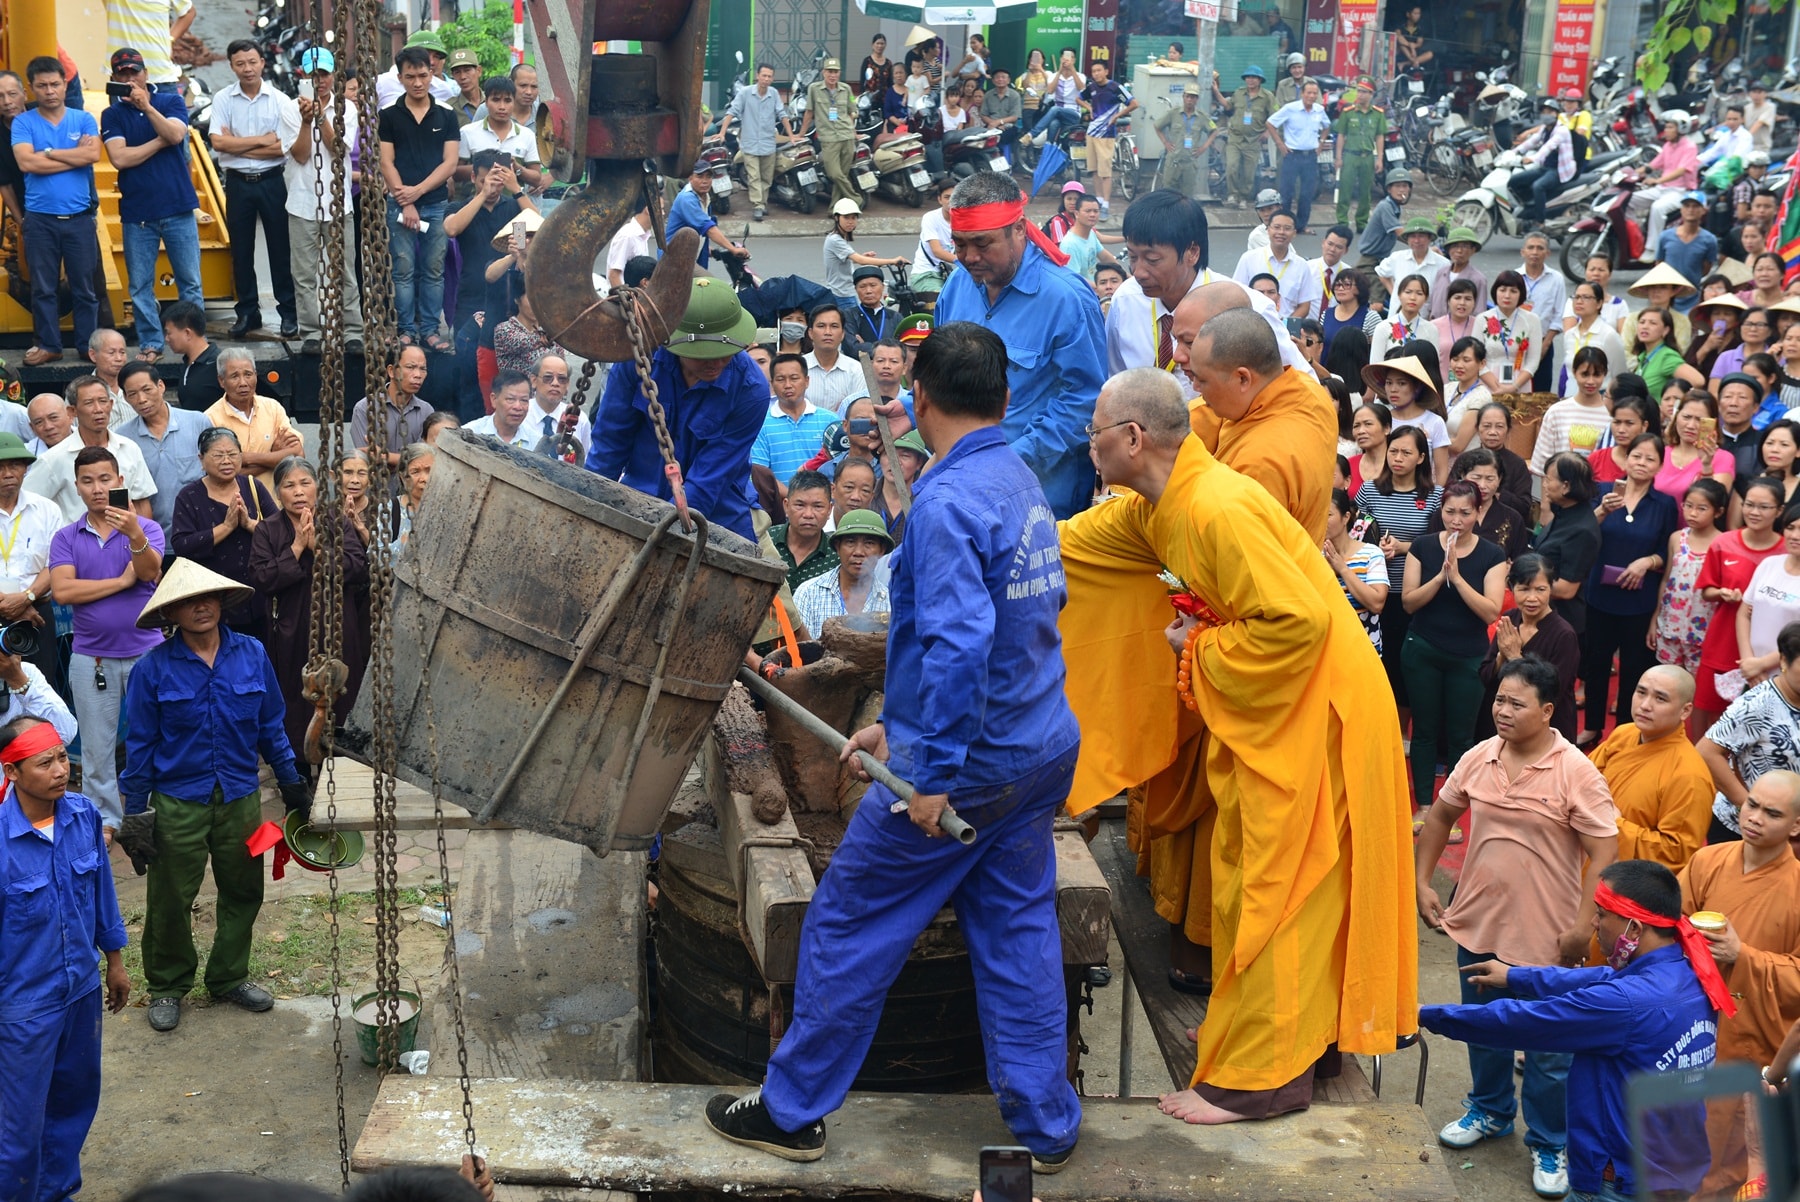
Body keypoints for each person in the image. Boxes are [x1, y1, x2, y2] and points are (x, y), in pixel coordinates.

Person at [705, 324, 1085, 1167]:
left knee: (847, 921)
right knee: (1017, 929)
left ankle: (792, 1108)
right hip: (1039, 749)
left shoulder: (946, 503)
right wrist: (898, 721)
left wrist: (930, 770)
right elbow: (999, 625)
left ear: (917, 401)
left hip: (969, 770)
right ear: (1004, 399)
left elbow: (958, 644)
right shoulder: (1016, 474)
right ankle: (1048, 1127)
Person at [1057, 365, 1413, 1123]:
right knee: (1273, 878)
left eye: (1092, 435)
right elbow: (1074, 548)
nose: (1086, 448)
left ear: (1130, 438)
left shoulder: (1215, 507)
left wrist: (1197, 646)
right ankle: (1299, 1041)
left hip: (1320, 708)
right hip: (1294, 705)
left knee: (1278, 885)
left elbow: (1298, 624)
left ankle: (1263, 1079)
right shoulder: (1163, 504)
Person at [1416, 654, 1618, 1197]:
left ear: (1548, 710)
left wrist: (1583, 927)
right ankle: (1488, 1110)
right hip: (1477, 920)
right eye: (1499, 700)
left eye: (1515, 703)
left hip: (1545, 934)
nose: (1502, 710)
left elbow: (1604, 853)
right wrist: (1422, 881)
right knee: (1482, 1027)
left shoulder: (1576, 771)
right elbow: (1440, 816)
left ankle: (1550, 1142)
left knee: (1548, 1050)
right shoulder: (1481, 755)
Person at [1420, 858, 1723, 1202]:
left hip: (1617, 1181)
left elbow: (1521, 1022)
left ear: (1634, 930)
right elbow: (1600, 978)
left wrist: (1426, 1015)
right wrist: (1515, 975)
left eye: (1601, 914)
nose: (1593, 923)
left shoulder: (1625, 1003)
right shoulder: (1690, 970)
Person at [122, 558, 311, 1034]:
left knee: (244, 890)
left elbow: (271, 725)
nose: (199, 607)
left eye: (206, 597)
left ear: (222, 601)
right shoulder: (152, 670)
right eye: (187, 601)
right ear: (171, 614)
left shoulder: (251, 654)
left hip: (241, 798)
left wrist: (292, 784)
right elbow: (139, 746)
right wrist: (134, 815)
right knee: (169, 898)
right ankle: (167, 985)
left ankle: (229, 976)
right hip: (177, 802)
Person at [0, 715, 130, 1200]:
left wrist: (114, 962)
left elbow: (101, 894)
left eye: (61, 758)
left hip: (80, 992)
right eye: (44, 762)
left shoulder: (83, 816)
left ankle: (57, 1194)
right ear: (11, 772)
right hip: (22, 1009)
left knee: (72, 1108)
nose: (60, 770)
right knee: (17, 1128)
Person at [933, 171, 1106, 519]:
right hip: (964, 484)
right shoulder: (957, 286)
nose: (969, 257)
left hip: (1041, 496)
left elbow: (1085, 399)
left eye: (982, 244)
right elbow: (941, 373)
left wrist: (1014, 457)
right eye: (959, 244)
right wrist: (908, 409)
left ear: (1018, 230)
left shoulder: (1066, 299)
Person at [1677, 767, 1800, 1195]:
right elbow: (1668, 929)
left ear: (1796, 825)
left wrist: (1741, 956)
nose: (1755, 817)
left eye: (1772, 813)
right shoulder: (1707, 860)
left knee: (1725, 1151)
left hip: (1751, 1040)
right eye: (1751, 804)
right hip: (1691, 1024)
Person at [589, 278, 765, 541]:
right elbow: (609, 446)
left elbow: (709, 478)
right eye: (703, 354)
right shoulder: (636, 362)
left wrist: (667, 533)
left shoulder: (750, 390)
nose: (715, 363)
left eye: (725, 352)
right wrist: (589, 504)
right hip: (637, 502)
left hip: (717, 517)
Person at [48, 446, 166, 837]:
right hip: (91, 656)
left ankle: (150, 809)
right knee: (97, 747)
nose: (97, 489)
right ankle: (106, 820)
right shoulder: (67, 536)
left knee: (154, 736)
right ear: (77, 488)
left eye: (104, 479)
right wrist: (119, 582)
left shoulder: (146, 529)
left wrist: (133, 533)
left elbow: (150, 573)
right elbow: (63, 591)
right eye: (87, 481)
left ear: (119, 481)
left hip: (148, 651)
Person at [249, 456, 369, 760]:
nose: (299, 491)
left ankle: (342, 756)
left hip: (340, 623)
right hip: (290, 627)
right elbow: (262, 577)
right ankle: (299, 763)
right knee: (295, 693)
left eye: (305, 483)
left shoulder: (336, 521)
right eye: (289, 485)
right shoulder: (268, 530)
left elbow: (358, 569)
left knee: (342, 689)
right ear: (278, 493)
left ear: (318, 486)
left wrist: (318, 547)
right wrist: (297, 548)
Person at [1400, 480, 1508, 815]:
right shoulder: (1423, 546)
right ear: (1441, 512)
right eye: (1450, 512)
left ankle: (1451, 809)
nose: (1456, 519)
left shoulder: (1492, 554)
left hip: (1469, 655)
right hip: (1423, 649)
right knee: (1425, 731)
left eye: (1465, 512)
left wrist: (1458, 578)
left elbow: (1491, 611)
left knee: (1461, 736)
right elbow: (1408, 603)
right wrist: (1440, 576)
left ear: (1478, 513)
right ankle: (1424, 805)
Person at [102, 47, 202, 363]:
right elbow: (120, 158)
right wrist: (161, 142)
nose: (130, 78)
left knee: (190, 282)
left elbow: (176, 132)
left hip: (178, 207)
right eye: (123, 74)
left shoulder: (169, 100)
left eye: (135, 72)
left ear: (145, 74)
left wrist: (147, 109)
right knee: (140, 286)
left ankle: (195, 342)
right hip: (138, 213)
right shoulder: (111, 114)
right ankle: (151, 342)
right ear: (114, 78)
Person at [1581, 434, 1681, 742]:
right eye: (1637, 456)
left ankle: (1626, 730)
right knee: (1596, 664)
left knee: (1634, 670)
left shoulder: (1664, 504)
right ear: (1627, 458)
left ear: (1659, 466)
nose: (1641, 463)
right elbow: (1579, 536)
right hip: (1599, 595)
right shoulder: (1602, 491)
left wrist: (1647, 562)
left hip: (1640, 601)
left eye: (1650, 459)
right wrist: (1600, 512)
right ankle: (1592, 727)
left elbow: (1670, 552)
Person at [12, 57, 103, 367]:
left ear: (66, 85)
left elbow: (92, 154)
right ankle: (48, 345)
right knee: (43, 288)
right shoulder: (24, 122)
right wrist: (73, 156)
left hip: (78, 218)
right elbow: (26, 163)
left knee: (85, 289)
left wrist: (48, 152)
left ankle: (88, 345)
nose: (49, 91)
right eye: (42, 86)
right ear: (31, 89)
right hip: (39, 219)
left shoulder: (84, 119)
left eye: (55, 84)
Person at [210, 41, 300, 340]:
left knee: (280, 249)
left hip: (272, 181)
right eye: (240, 63)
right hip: (237, 184)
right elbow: (219, 143)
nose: (247, 68)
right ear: (232, 66)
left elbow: (283, 149)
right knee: (241, 250)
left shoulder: (280, 100)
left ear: (262, 62)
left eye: (252, 62)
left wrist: (240, 144)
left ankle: (288, 312)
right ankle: (248, 311)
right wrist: (263, 140)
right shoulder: (223, 99)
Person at [1585, 667, 1714, 869]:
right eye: (1641, 692)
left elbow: (1676, 853)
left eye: (1660, 699)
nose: (1645, 705)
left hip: (1623, 884)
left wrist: (1615, 824)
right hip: (1582, 857)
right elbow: (1583, 777)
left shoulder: (1689, 775)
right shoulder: (1624, 733)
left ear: (1685, 710)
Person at [378, 45, 462, 352]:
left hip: (436, 203)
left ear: (432, 74)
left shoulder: (447, 115)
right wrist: (406, 200)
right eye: (410, 76)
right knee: (402, 268)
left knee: (433, 268)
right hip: (399, 204)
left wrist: (418, 192)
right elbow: (386, 162)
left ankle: (430, 329)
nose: (417, 83)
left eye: (423, 75)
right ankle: (405, 330)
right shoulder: (388, 116)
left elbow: (450, 163)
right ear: (399, 78)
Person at [284, 48, 365, 358]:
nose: (319, 81)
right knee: (304, 274)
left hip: (338, 203)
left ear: (334, 76)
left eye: (324, 74)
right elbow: (301, 154)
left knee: (344, 269)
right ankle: (311, 333)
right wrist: (307, 122)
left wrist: (321, 117)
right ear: (304, 76)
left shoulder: (348, 110)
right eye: (313, 75)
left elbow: (338, 150)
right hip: (301, 203)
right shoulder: (290, 110)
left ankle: (353, 331)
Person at [1105, 190, 1213, 396]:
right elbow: (1115, 378)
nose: (1138, 272)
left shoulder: (1243, 307)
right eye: (1132, 256)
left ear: (1192, 253)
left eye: (1152, 259)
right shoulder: (1126, 299)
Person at [169, 427, 274, 639]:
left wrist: (249, 524)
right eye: (218, 455)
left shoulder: (253, 486)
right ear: (201, 459)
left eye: (232, 454)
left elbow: (279, 532)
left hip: (259, 597)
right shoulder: (189, 496)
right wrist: (225, 528)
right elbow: (181, 545)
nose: (226, 460)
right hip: (214, 600)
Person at [25, 376, 157, 523]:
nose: (98, 409)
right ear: (72, 411)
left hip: (124, 543)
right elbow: (26, 504)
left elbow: (141, 502)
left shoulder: (129, 448)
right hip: (74, 543)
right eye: (89, 403)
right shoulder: (53, 458)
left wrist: (142, 540)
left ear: (111, 404)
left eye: (103, 401)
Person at [1480, 554, 1581, 744]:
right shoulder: (1511, 618)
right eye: (1524, 589)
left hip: (1546, 732)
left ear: (1551, 589)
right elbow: (1486, 676)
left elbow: (1551, 693)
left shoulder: (1563, 635)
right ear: (1511, 588)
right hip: (1505, 724)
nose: (1532, 598)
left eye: (1540, 589)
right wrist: (1502, 656)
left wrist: (1515, 656)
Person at [0, 435, 65, 694]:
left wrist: (26, 598)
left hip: (36, 614)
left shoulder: (46, 509)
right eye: (0, 467)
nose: (7, 473)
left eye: (15, 465)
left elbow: (57, 563)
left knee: (37, 690)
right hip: (20, 609)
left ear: (26, 469)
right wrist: (11, 607)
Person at [116, 361, 208, 532]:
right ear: (126, 398)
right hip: (154, 541)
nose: (141, 399)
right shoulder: (122, 438)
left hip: (202, 534)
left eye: (147, 390)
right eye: (133, 394)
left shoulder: (198, 422)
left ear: (161, 386)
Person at [203, 348, 303, 489]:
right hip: (235, 504)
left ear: (256, 375)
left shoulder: (272, 407)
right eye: (234, 376)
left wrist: (247, 458)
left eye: (248, 374)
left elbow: (297, 453)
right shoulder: (210, 419)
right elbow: (222, 473)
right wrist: (273, 457)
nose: (243, 382)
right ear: (221, 381)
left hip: (275, 505)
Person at [790, 508, 891, 636]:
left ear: (881, 550)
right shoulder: (808, 593)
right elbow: (798, 649)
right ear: (838, 547)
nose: (858, 552)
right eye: (850, 542)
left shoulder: (889, 601)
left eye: (869, 543)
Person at [721, 64, 794, 222]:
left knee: (767, 177)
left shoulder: (773, 94)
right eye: (764, 76)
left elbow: (782, 114)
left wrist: (791, 136)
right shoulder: (745, 93)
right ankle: (757, 206)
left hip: (768, 144)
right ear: (758, 76)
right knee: (754, 176)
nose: (766, 79)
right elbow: (731, 112)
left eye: (769, 76)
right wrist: (721, 133)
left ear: (772, 78)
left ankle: (762, 203)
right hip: (750, 144)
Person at [1362, 355, 1449, 481]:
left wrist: (1434, 499)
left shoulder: (1435, 422)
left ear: (1417, 387)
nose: (1393, 389)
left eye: (1401, 383)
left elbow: (1442, 472)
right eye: (1388, 383)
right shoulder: (1380, 420)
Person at [754, 353, 835, 487]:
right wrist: (792, 500)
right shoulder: (760, 424)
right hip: (778, 504)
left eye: (794, 378)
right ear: (772, 384)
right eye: (780, 379)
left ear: (807, 381)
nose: (787, 385)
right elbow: (761, 474)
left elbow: (837, 467)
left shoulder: (829, 421)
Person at [350, 344, 433, 473]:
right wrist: (407, 460)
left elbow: (425, 460)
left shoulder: (427, 411)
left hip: (413, 490)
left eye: (423, 369)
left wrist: (386, 457)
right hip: (375, 489)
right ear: (391, 371)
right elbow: (368, 457)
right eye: (410, 367)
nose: (418, 375)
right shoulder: (365, 408)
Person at [1325, 487, 1386, 650]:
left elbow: (1377, 603)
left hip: (1363, 649)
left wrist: (1343, 569)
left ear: (1346, 517)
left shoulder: (1372, 553)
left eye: (1328, 515)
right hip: (1326, 648)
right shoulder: (1312, 554)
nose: (1322, 520)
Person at [1231, 208, 1318, 319]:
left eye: (1287, 228)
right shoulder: (1249, 259)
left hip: (1286, 330)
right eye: (1276, 227)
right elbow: (1237, 295)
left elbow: (1304, 305)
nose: (1281, 232)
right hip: (1254, 326)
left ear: (1294, 233)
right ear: (1268, 230)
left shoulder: (1302, 266)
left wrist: (1285, 325)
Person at [456, 75, 540, 190]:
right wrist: (485, 166)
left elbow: (536, 179)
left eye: (507, 100)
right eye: (496, 100)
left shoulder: (526, 135)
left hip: (515, 205)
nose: (502, 107)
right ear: (486, 102)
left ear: (514, 102)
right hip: (477, 204)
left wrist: (517, 167)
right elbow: (455, 173)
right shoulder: (468, 132)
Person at [1267, 80, 1329, 234]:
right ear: (1302, 94)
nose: (1311, 96)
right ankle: (1284, 224)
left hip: (1310, 156)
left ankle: (1301, 226)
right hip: (1292, 155)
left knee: (1306, 194)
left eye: (1315, 93)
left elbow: (1327, 126)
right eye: (1308, 92)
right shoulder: (1290, 109)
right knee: (1286, 193)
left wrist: (1321, 142)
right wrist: (1280, 144)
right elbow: (1270, 123)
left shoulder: (1319, 110)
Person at [1509, 98, 1578, 228]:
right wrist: (1513, 152)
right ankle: (1528, 208)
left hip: (1559, 170)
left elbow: (1548, 147)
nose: (1546, 115)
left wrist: (1533, 158)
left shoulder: (1561, 130)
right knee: (1514, 180)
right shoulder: (1544, 129)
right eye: (1544, 112)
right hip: (1546, 168)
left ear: (1556, 114)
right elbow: (1531, 142)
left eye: (1549, 112)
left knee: (1538, 186)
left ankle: (1540, 221)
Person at [801, 58, 859, 208]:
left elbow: (852, 111)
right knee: (834, 173)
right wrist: (801, 133)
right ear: (823, 72)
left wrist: (854, 132)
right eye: (829, 72)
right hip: (828, 138)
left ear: (839, 73)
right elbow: (809, 112)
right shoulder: (814, 89)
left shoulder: (846, 89)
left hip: (846, 136)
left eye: (835, 72)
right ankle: (855, 197)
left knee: (842, 174)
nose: (832, 75)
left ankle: (834, 207)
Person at [1078, 61, 1133, 218]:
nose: (1096, 73)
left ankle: (1106, 205)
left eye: (1099, 70)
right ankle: (1099, 200)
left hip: (1107, 134)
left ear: (1106, 71)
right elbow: (1079, 98)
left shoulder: (1115, 88)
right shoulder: (1092, 88)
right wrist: (1089, 108)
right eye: (1093, 71)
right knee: (1094, 169)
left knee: (1106, 172)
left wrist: (1116, 116)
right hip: (1092, 133)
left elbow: (1133, 103)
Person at [766, 469, 836, 592]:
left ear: (829, 509)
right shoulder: (766, 540)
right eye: (800, 505)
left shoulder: (836, 553)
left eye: (818, 506)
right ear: (786, 506)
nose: (808, 514)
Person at [1215, 66, 1274, 207]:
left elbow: (1276, 116)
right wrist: (1216, 91)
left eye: (1254, 77)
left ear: (1260, 80)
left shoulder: (1267, 97)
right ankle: (1232, 195)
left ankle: (1243, 197)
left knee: (1249, 173)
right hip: (1235, 138)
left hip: (1253, 140)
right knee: (1232, 167)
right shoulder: (1239, 93)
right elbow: (1228, 106)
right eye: (1248, 77)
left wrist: (1268, 132)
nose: (1250, 80)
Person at [822, 201, 905, 301]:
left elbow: (848, 259)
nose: (850, 221)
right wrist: (893, 261)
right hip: (841, 295)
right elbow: (860, 260)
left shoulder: (839, 237)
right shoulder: (835, 239)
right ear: (836, 218)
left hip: (844, 292)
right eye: (846, 217)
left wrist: (863, 257)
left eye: (853, 217)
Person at [1479, 270, 1544, 396]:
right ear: (1495, 291)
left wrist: (1513, 387)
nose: (1507, 295)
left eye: (1513, 291)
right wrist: (1496, 387)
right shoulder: (1482, 319)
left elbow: (1533, 361)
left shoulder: (1532, 320)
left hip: (1520, 384)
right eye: (1502, 290)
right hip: (1488, 383)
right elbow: (1476, 359)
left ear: (1521, 294)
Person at [1332, 78, 1386, 229]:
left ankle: (1361, 222)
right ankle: (1342, 221)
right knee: (1345, 189)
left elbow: (1380, 136)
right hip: (1350, 155)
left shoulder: (1377, 114)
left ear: (1371, 94)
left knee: (1365, 191)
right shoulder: (1348, 112)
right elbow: (1341, 135)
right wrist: (1338, 157)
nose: (1360, 95)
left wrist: (1379, 158)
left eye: (1364, 92)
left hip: (1367, 156)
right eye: (1359, 91)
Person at [522, 353, 588, 463]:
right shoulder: (520, 414)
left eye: (562, 379)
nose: (555, 383)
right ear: (534, 381)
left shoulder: (579, 419)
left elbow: (585, 459)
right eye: (548, 378)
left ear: (567, 385)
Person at [802, 303, 868, 413]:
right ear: (810, 333)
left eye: (834, 326)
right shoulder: (799, 367)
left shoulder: (856, 370)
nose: (828, 332)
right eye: (821, 326)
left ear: (842, 334)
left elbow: (857, 411)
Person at [1659, 194, 1720, 310]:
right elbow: (1659, 264)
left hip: (1692, 296)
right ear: (1681, 210)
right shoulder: (1665, 236)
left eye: (1696, 206)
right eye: (1687, 206)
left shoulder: (1709, 240)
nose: (1690, 210)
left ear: (1703, 210)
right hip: (1667, 296)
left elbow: (1706, 268)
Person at [160, 301, 223, 412]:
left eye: (169, 333)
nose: (166, 339)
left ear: (187, 333)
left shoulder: (220, 364)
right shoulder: (187, 363)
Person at [1375, 218, 1449, 312]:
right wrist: (1395, 293)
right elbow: (1381, 273)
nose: (1417, 241)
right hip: (1396, 317)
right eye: (1413, 236)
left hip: (1425, 318)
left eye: (1421, 236)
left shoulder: (1443, 264)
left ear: (1430, 238)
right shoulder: (1397, 258)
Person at [1353, 169, 1412, 279]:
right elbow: (1399, 232)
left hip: (1382, 259)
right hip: (1371, 261)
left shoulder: (1396, 208)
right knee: (1377, 294)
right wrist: (1421, 245)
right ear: (1389, 189)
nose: (1401, 190)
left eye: (1404, 186)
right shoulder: (1385, 206)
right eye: (1397, 186)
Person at [1057, 193, 1121, 282]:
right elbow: (1075, 280)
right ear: (1076, 214)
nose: (1092, 214)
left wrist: (1125, 275)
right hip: (1084, 293)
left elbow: (1106, 257)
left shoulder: (1091, 233)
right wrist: (1100, 289)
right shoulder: (1069, 245)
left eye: (1096, 211)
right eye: (1088, 211)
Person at [464, 369, 534, 448]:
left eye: (524, 400)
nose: (518, 407)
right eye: (510, 399)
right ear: (494, 399)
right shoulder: (470, 434)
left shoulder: (535, 441)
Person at [1427, 228, 1487, 321]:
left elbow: (1479, 313)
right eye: (1455, 246)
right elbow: (1432, 306)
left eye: (1465, 246)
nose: (1459, 250)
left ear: (1473, 250)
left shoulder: (1478, 279)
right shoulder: (1441, 273)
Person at [845, 267, 899, 358]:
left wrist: (865, 346)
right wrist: (890, 349)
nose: (868, 291)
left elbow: (903, 349)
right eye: (862, 286)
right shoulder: (849, 315)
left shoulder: (895, 317)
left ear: (883, 287)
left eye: (873, 285)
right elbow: (852, 349)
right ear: (856, 289)